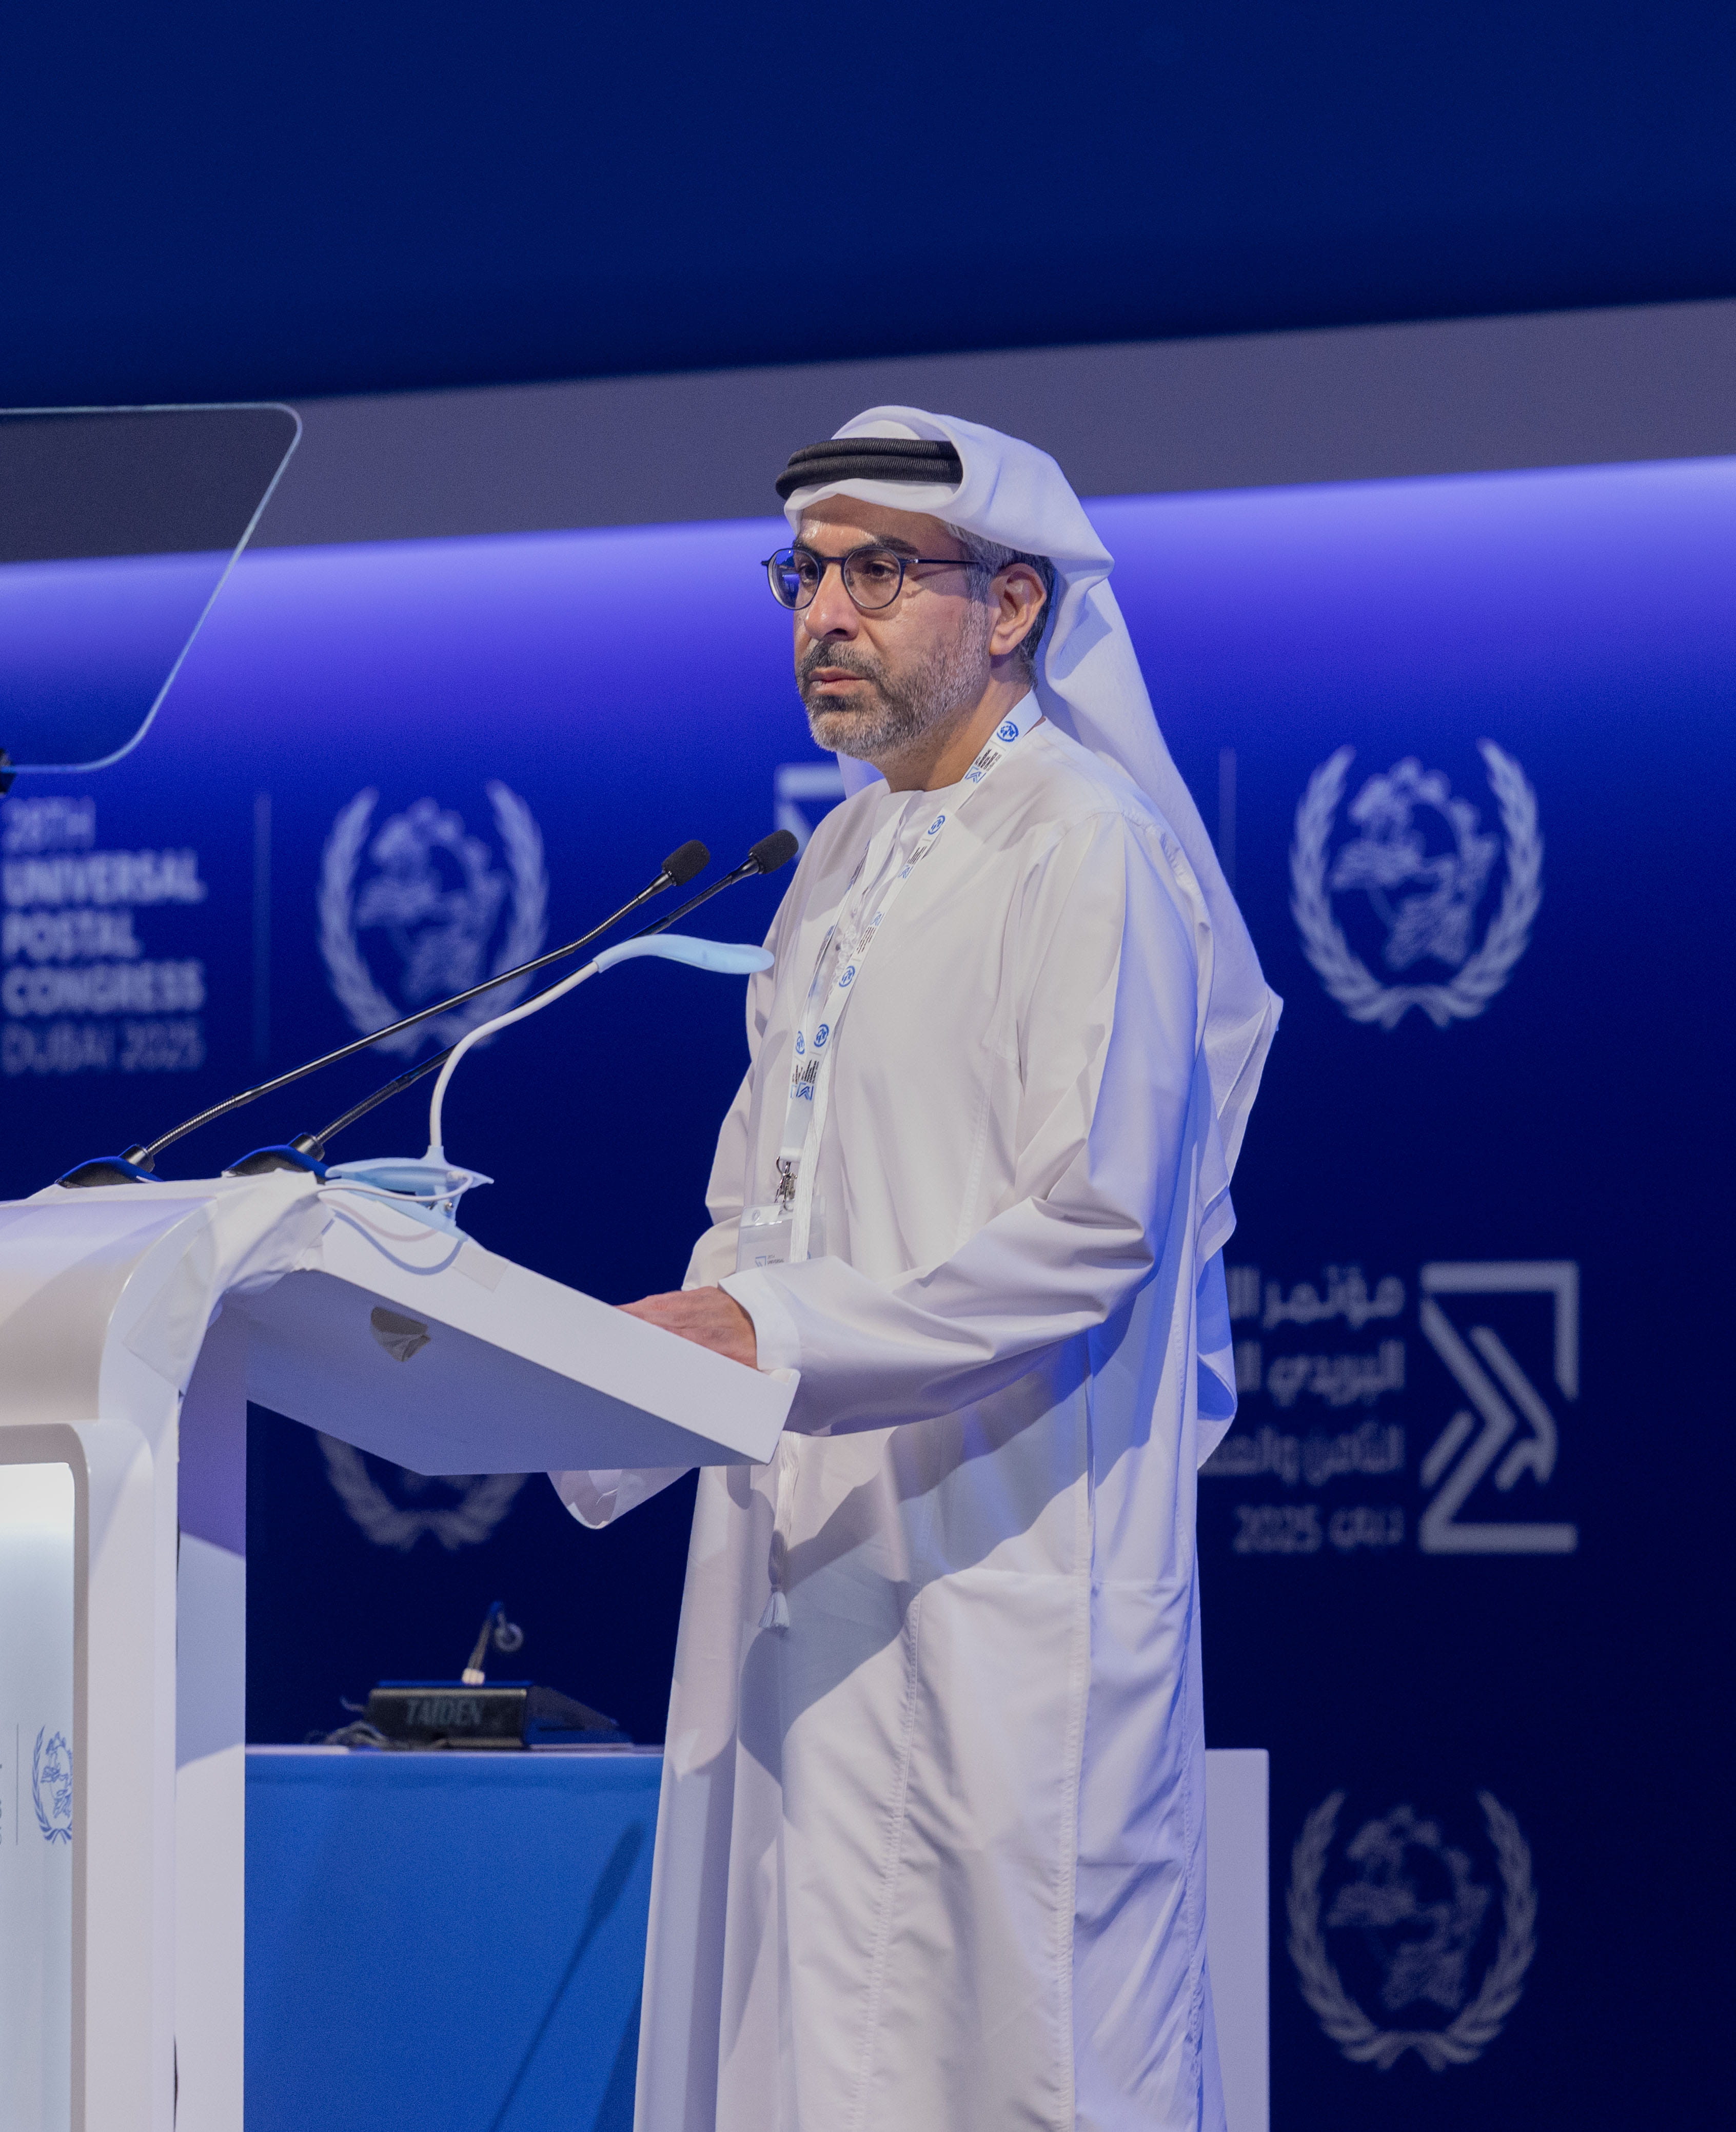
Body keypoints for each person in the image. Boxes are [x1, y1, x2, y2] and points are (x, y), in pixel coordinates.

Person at [553, 408, 1278, 2130]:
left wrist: (772, 1331)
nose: (825, 614)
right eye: (805, 575)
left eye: (878, 572)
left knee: (1018, 2065)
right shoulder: (837, 859)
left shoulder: (1090, 843)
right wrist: (634, 1376)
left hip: (1003, 1572)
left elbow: (1096, 1227)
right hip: (803, 1580)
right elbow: (757, 1210)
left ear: (1014, 604)